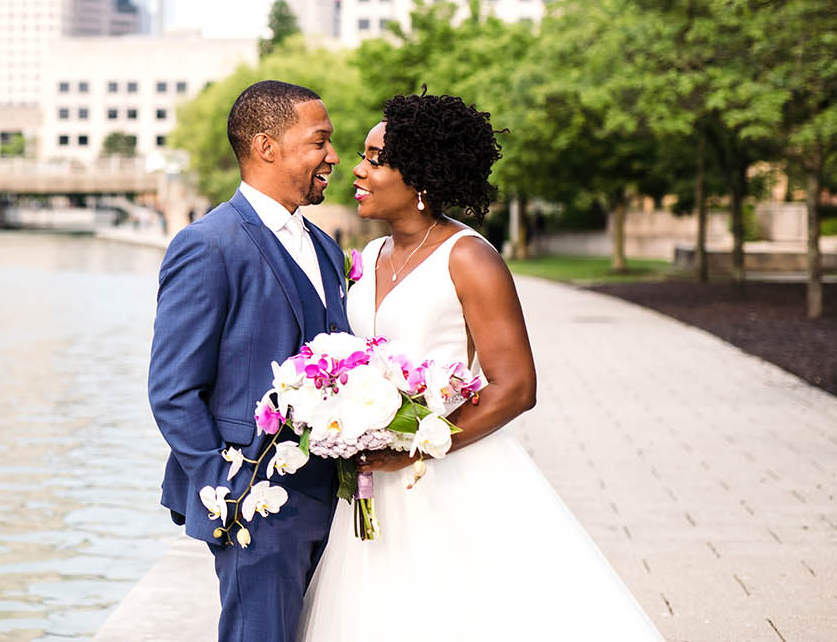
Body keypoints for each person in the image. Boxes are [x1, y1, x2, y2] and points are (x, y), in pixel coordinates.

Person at [298, 93, 662, 640]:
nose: (357, 169)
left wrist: (417, 445)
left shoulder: (470, 258)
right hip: (374, 484)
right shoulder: (366, 259)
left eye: (375, 159)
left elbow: (516, 387)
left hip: (447, 474)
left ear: (419, 177)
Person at [148, 80, 348, 642]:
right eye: (319, 142)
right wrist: (229, 493)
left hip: (331, 494)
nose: (333, 156)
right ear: (266, 146)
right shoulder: (208, 244)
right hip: (256, 503)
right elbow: (172, 390)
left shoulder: (324, 245)